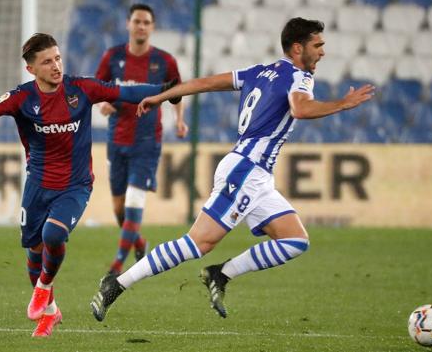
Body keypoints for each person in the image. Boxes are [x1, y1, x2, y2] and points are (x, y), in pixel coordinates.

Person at [90, 17, 375, 321]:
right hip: (245, 170)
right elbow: (301, 108)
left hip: (257, 175)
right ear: (297, 48)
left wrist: (162, 97)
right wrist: (342, 104)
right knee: (198, 243)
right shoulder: (299, 77)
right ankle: (117, 283)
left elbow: (207, 83)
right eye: (317, 45)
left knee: (295, 240)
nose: (322, 52)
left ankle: (220, 274)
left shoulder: (258, 72)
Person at [0, 33, 179, 337]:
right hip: (37, 186)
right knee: (34, 251)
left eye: (58, 58)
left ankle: (44, 288)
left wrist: (165, 91)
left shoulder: (81, 89)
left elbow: (124, 93)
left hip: (76, 185)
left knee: (53, 234)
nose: (56, 66)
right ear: (31, 69)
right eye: (47, 61)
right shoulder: (22, 98)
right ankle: (50, 312)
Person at [95, 3, 188, 277]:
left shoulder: (164, 61)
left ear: (153, 27)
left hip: (147, 141)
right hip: (117, 138)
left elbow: (177, 91)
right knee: (119, 208)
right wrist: (104, 103)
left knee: (135, 201)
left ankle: (117, 265)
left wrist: (179, 120)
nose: (141, 26)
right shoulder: (112, 57)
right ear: (128, 24)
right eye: (137, 21)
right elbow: (96, 90)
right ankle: (139, 241)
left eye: (147, 22)